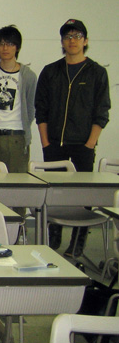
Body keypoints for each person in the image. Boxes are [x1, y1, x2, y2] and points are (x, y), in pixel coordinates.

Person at [35, 19, 111, 257]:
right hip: (54, 145)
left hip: (82, 146)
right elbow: (41, 110)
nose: (72, 41)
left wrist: (90, 144)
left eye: (77, 36)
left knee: (83, 196)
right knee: (53, 194)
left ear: (85, 41)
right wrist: (45, 143)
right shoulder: (51, 71)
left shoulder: (97, 72)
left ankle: (78, 243)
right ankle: (54, 237)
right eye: (67, 37)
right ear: (62, 42)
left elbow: (102, 112)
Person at [0, 25, 37, 173]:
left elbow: (31, 107)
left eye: (10, 44)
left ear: (17, 47)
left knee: (16, 182)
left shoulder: (28, 76)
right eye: (1, 44)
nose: (5, 48)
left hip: (16, 137)